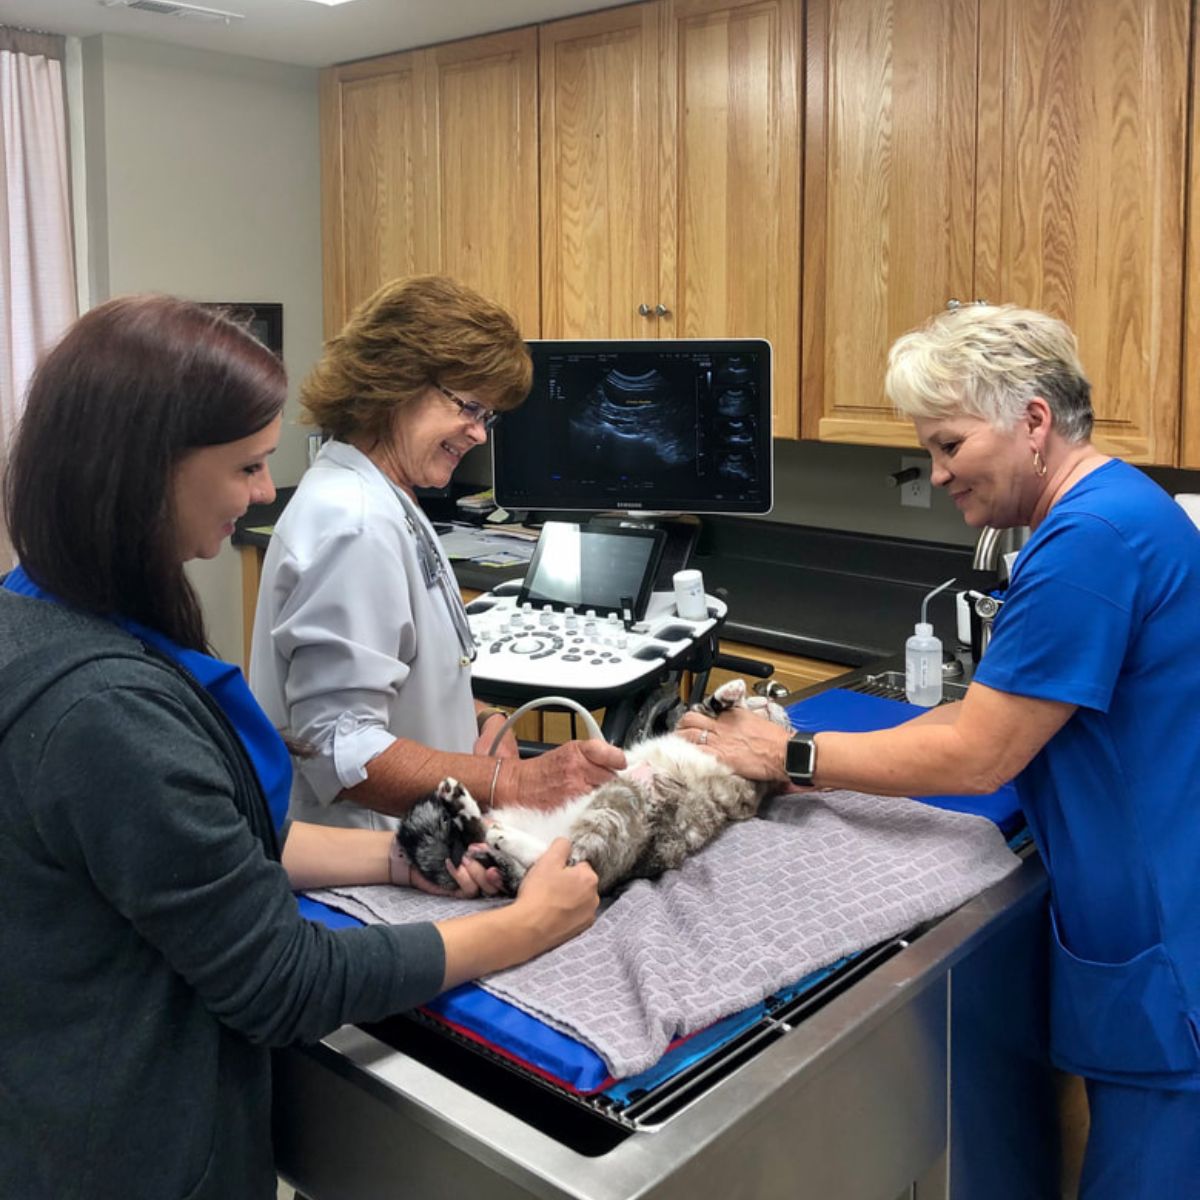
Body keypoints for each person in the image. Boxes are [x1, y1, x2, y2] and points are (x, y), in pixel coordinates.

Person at [0, 295, 599, 1200]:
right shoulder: (104, 709)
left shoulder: (44, 614)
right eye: (245, 465)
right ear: (138, 471)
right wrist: (524, 925)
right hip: (129, 1148)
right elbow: (279, 980)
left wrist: (408, 860)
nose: (262, 495)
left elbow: (201, 842)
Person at [678, 304, 1200, 1199]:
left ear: (1033, 421)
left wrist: (788, 762)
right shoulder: (1119, 507)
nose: (938, 472)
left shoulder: (1087, 546)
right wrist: (798, 741)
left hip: (1160, 944)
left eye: (950, 443)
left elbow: (978, 755)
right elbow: (983, 718)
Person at [249, 275, 625, 844]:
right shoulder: (357, 523)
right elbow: (340, 751)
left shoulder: (383, 496)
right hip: (373, 872)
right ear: (394, 381)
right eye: (469, 407)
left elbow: (396, 682)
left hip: (422, 847)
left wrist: (479, 719)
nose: (478, 433)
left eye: (489, 416)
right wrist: (511, 783)